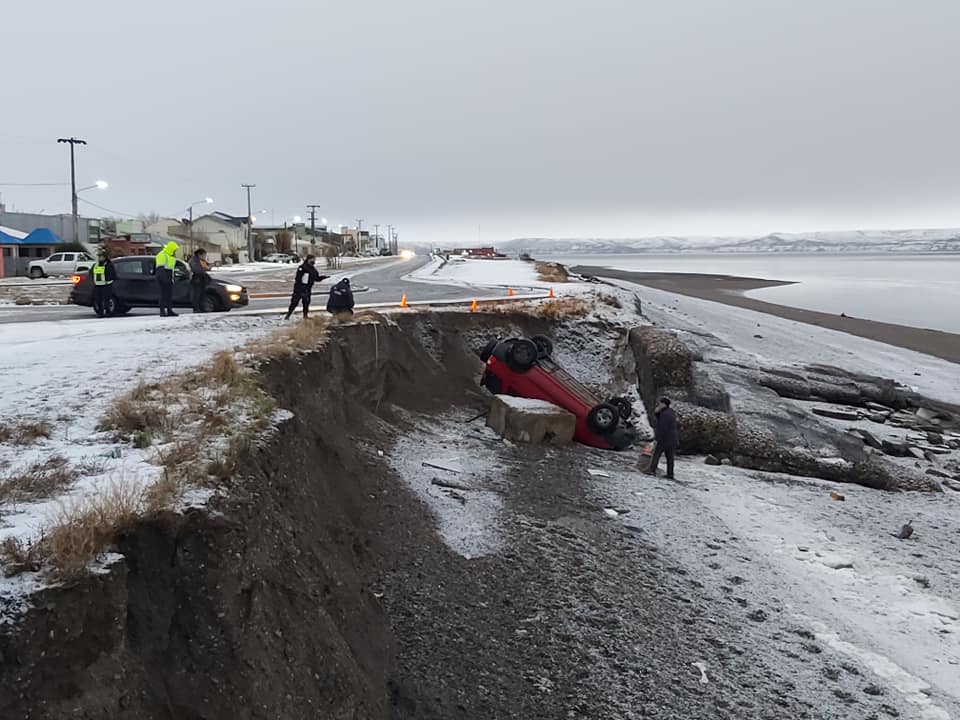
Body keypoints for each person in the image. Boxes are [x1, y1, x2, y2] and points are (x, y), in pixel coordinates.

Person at [285, 255, 328, 320]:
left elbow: (316, 278)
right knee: (294, 302)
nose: (314, 261)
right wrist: (301, 287)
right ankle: (288, 315)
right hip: (299, 289)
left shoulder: (313, 268)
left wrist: (322, 277)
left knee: (306, 303)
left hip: (308, 288)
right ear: (308, 259)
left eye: (314, 260)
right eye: (313, 259)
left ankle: (305, 316)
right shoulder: (302, 267)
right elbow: (298, 278)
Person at [647, 397, 679, 480]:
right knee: (670, 457)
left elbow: (662, 427)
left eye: (660, 403)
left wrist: (657, 438)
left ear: (664, 404)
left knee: (656, 454)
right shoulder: (670, 412)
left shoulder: (665, 414)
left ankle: (652, 470)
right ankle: (670, 474)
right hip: (672, 438)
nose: (658, 405)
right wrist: (657, 413)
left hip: (665, 438)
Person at [154, 240, 180, 317]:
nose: (175, 251)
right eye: (174, 249)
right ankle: (162, 311)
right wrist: (164, 279)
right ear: (171, 249)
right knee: (163, 295)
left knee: (169, 295)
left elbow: (171, 269)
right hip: (163, 277)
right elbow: (160, 268)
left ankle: (169, 310)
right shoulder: (162, 255)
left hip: (168, 277)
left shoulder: (171, 256)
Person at [89, 250, 117, 317]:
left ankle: (108, 313)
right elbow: (91, 273)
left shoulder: (108, 265)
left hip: (106, 285)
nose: (100, 258)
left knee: (106, 301)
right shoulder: (95, 265)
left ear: (105, 257)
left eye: (101, 257)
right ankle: (100, 313)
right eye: (99, 257)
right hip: (97, 286)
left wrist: (108, 279)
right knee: (98, 300)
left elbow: (112, 274)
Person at [188, 248, 211, 313]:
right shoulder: (194, 260)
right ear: (199, 254)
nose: (205, 257)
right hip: (196, 279)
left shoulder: (202, 260)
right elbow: (197, 269)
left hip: (202, 279)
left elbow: (207, 267)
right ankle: (196, 308)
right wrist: (204, 268)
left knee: (202, 294)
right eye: (204, 255)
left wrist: (207, 267)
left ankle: (202, 307)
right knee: (197, 294)